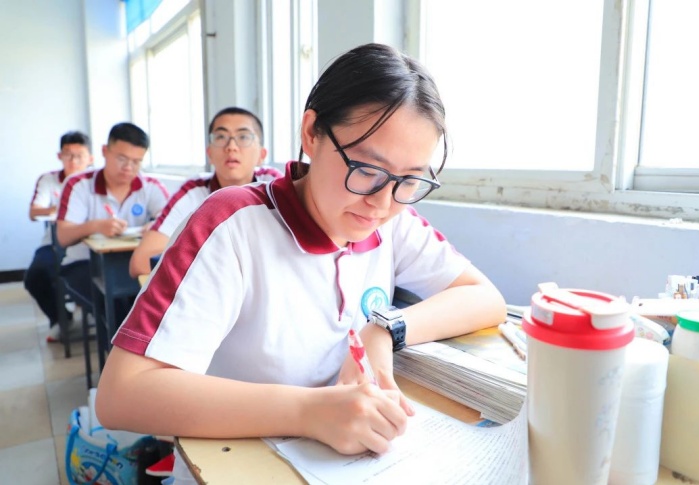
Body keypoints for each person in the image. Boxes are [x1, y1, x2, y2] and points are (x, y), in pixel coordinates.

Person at [96, 43, 507, 483]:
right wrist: (309, 412)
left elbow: (484, 298)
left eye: (409, 180)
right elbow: (122, 395)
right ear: (312, 133)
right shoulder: (233, 224)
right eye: (367, 169)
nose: (382, 202)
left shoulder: (392, 222)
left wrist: (384, 329)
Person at [128, 107, 282, 278]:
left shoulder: (273, 184)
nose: (231, 147)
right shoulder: (195, 191)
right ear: (209, 153)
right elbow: (142, 261)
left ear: (262, 154)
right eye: (221, 137)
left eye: (243, 137)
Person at [56, 122, 169, 308]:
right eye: (122, 159)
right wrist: (96, 226)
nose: (128, 167)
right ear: (104, 151)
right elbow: (63, 237)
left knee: (152, 304)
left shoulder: (151, 186)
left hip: (132, 261)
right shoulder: (78, 184)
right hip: (83, 263)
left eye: (136, 161)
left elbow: (172, 222)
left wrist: (156, 226)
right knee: (117, 310)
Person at [25, 131, 94, 342]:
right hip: (55, 242)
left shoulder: (97, 180)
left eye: (79, 156)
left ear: (90, 158)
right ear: (59, 156)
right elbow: (34, 212)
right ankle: (61, 319)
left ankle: (99, 314)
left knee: (100, 274)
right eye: (68, 155)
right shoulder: (49, 180)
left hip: (91, 242)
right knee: (35, 276)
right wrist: (61, 209)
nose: (73, 161)